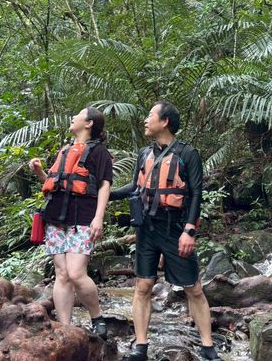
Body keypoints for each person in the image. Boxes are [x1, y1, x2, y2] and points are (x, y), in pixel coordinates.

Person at [111, 102, 221, 361]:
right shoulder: (144, 154)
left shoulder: (188, 154)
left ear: (165, 122)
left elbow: (196, 193)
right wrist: (106, 193)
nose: (145, 120)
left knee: (193, 288)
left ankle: (208, 347)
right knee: (143, 286)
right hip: (147, 229)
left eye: (150, 115)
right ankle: (140, 346)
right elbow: (135, 187)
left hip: (175, 228)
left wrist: (189, 230)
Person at [29, 107, 112, 339]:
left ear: (89, 123)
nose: (73, 118)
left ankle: (97, 317)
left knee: (76, 273)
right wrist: (39, 172)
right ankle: (65, 328)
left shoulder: (99, 152)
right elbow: (54, 183)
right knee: (62, 273)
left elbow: (104, 185)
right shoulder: (65, 150)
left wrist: (99, 217)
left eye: (78, 115)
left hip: (83, 219)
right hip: (56, 219)